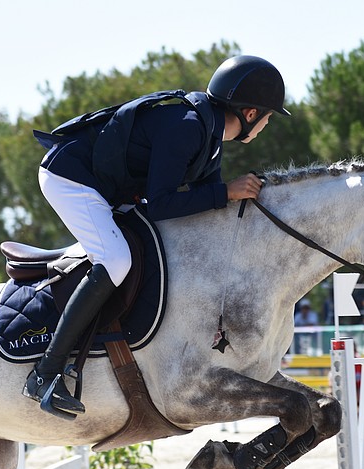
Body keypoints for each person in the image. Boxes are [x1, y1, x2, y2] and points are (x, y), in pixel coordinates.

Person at [23, 55, 291, 416]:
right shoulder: (186, 126)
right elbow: (163, 204)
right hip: (70, 178)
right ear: (250, 114)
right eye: (269, 117)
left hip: (102, 185)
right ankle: (45, 372)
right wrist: (227, 192)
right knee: (116, 260)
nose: (267, 125)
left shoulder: (209, 139)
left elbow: (205, 210)